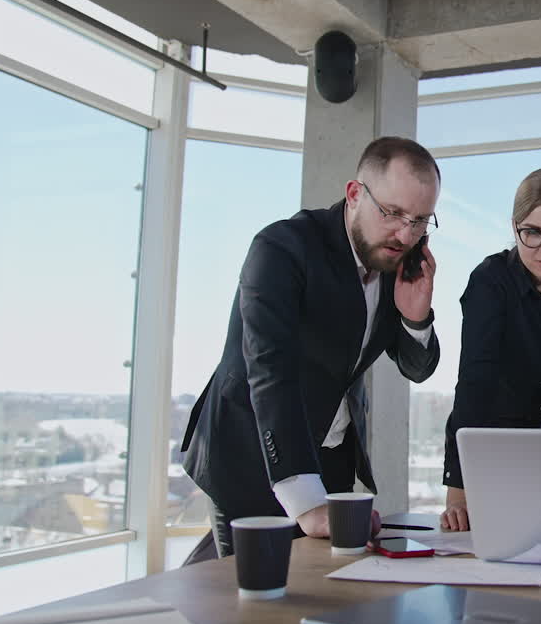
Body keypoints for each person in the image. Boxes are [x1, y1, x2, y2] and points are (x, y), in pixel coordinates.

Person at [180, 136, 442, 561]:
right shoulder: (282, 248)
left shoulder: (396, 261)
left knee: (324, 585)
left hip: (330, 454)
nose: (406, 234)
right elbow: (270, 370)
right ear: (355, 194)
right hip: (251, 450)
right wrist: (304, 501)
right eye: (393, 213)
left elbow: (418, 369)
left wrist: (415, 317)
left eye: (420, 221)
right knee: (251, 593)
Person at [440, 168, 541, 532]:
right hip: (498, 453)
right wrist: (458, 488)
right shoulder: (490, 281)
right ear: (515, 227)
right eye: (532, 233)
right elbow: (474, 384)